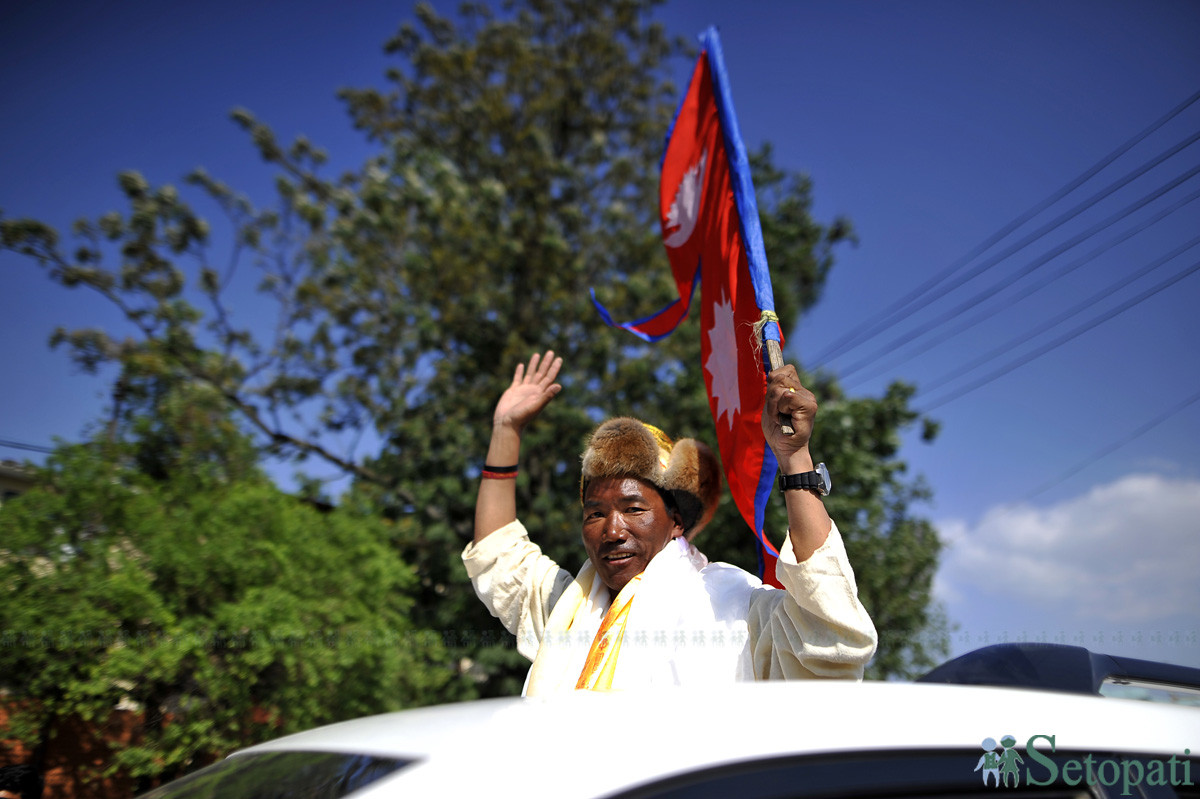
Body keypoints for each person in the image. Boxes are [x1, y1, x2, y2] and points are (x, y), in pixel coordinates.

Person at [463, 350, 877, 694]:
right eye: (595, 513)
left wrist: (795, 460)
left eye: (634, 508)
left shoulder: (731, 606)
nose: (612, 530)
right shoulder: (570, 612)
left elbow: (830, 638)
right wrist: (505, 430)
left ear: (675, 521)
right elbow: (499, 556)